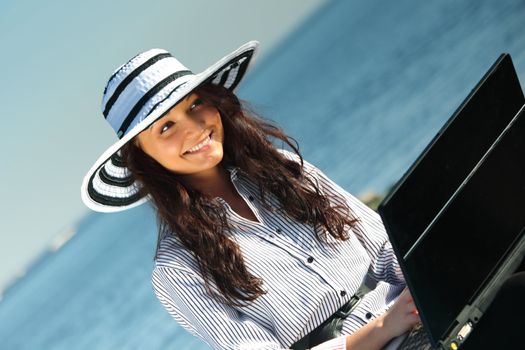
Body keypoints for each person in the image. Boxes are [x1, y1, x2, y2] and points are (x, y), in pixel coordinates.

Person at [80, 41, 523, 349]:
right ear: (144, 158)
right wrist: (385, 327)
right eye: (166, 127)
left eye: (195, 105)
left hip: (426, 314)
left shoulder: (283, 169)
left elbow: (387, 250)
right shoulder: (177, 269)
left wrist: (444, 281)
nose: (194, 129)